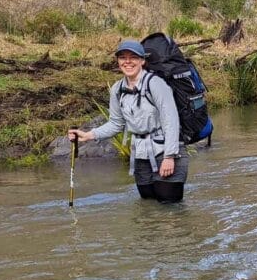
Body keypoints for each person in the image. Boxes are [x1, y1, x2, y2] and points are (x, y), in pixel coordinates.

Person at [68, 39, 188, 203]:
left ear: (142, 61)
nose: (128, 62)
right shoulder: (117, 89)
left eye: (133, 57)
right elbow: (116, 124)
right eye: (123, 57)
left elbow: (171, 121)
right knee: (148, 208)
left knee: (170, 210)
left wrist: (169, 156)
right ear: (118, 62)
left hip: (166, 152)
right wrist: (88, 135)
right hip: (140, 155)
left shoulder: (156, 84)